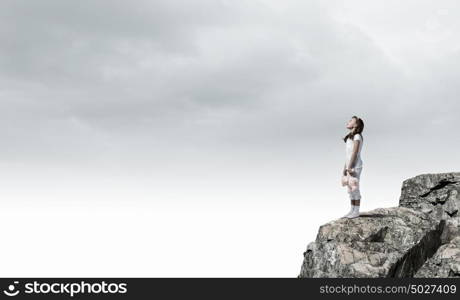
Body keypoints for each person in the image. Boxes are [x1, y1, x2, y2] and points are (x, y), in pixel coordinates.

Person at [341, 116, 364, 219]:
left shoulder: (357, 136)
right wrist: (344, 168)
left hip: (355, 166)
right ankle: (352, 209)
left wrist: (350, 167)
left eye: (351, 120)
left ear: (356, 125)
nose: (348, 122)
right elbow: (348, 155)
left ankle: (356, 211)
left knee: (354, 187)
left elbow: (354, 153)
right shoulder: (350, 137)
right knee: (350, 189)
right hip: (349, 165)